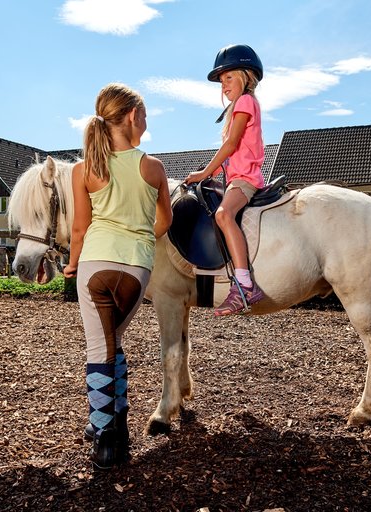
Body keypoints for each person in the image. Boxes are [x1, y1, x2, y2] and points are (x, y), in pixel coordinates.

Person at [62, 83, 172, 470]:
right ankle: (116, 423)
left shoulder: (84, 169)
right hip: (137, 269)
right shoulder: (153, 167)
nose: (145, 121)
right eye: (143, 114)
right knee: (113, 344)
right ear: (130, 117)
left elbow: (80, 228)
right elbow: (165, 221)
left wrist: (73, 264)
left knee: (99, 350)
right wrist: (141, 241)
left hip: (96, 264)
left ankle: (105, 439)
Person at [184, 43, 266, 316]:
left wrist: (204, 173)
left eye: (229, 77)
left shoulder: (245, 102)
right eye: (221, 81)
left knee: (223, 215)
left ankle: (244, 284)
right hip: (234, 177)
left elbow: (231, 145)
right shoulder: (237, 107)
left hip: (245, 179)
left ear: (246, 76)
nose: (224, 85)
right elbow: (232, 153)